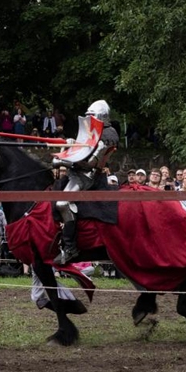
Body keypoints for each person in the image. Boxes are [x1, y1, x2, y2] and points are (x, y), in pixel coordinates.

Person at [52, 100, 119, 265]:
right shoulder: (91, 130)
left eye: (92, 116)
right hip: (75, 172)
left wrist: (64, 162)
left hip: (88, 176)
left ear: (100, 116)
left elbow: (90, 163)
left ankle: (70, 247)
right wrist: (68, 146)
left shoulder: (108, 136)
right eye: (87, 116)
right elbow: (81, 150)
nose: (89, 119)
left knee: (62, 203)